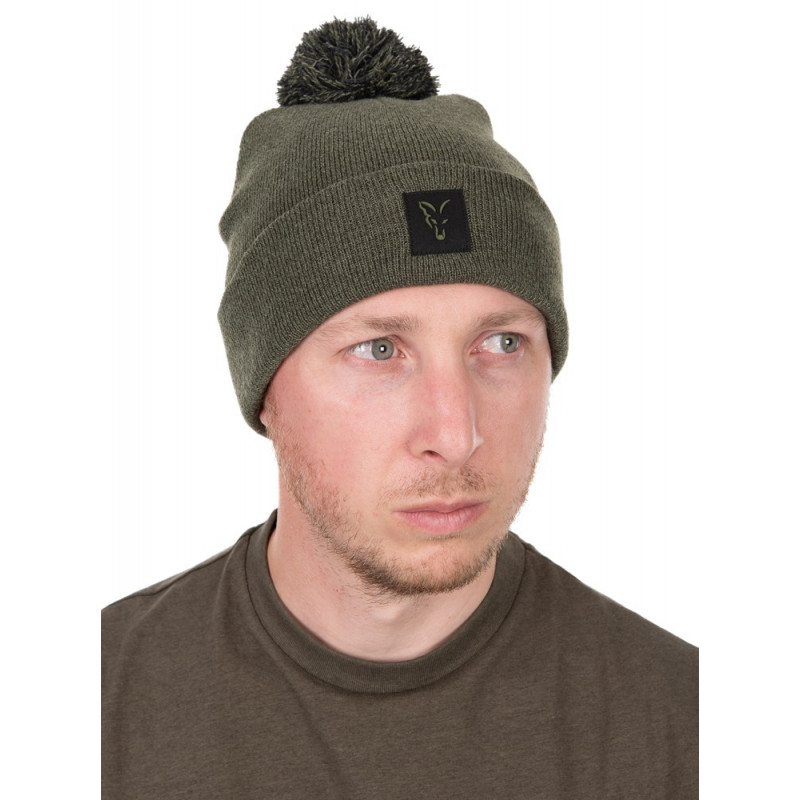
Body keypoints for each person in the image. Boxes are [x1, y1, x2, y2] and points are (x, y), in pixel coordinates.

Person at [102, 18, 698, 799]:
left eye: (502, 344)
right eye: (380, 349)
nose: (456, 434)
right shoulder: (92, 709)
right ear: (264, 386)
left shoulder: (687, 726)